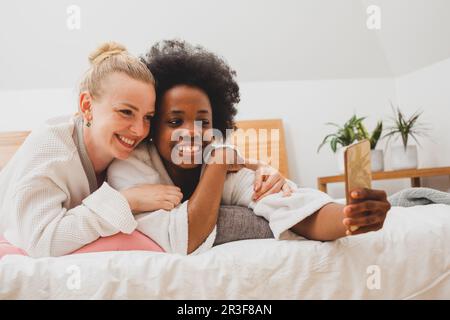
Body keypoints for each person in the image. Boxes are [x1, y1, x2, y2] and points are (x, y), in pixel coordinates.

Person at [0, 42, 289, 258]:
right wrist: (126, 201)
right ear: (87, 106)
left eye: (148, 117)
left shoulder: (136, 144)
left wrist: (257, 167)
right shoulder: (51, 150)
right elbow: (41, 241)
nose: (139, 130)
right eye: (126, 112)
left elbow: (203, 148)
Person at [107, 40, 392, 255]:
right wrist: (218, 165)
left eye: (204, 122)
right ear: (153, 127)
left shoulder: (221, 161)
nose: (192, 132)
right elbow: (185, 240)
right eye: (175, 120)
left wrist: (348, 219)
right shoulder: (130, 167)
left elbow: (290, 208)